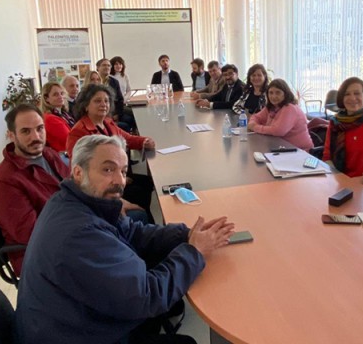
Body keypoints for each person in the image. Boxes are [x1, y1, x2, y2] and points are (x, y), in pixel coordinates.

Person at [15, 134, 235, 344]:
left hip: (77, 318)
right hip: (79, 334)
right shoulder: (80, 235)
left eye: (123, 170)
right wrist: (194, 251)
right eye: (108, 169)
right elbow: (148, 295)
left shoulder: (76, 200)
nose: (119, 180)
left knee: (171, 294)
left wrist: (185, 234)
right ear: (78, 172)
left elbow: (132, 233)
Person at [0, 104, 69, 275]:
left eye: (40, 129)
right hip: (41, 257)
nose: (36, 137)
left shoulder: (48, 154)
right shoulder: (4, 181)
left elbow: (76, 186)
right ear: (11, 136)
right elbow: (32, 234)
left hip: (69, 232)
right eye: (25, 131)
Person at [67, 84, 155, 217]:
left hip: (117, 174)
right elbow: (80, 174)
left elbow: (127, 138)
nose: (103, 104)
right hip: (102, 187)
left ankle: (145, 222)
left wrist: (144, 141)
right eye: (97, 101)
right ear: (86, 106)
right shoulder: (79, 133)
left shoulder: (107, 122)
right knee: (138, 192)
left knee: (147, 182)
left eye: (106, 101)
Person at [248, 78, 313, 151]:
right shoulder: (272, 107)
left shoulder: (290, 108)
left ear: (285, 94)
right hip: (282, 147)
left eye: (278, 92)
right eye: (271, 93)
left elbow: (278, 131)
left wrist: (255, 127)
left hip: (301, 151)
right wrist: (253, 123)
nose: (274, 96)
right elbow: (255, 117)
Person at [97, 57, 133, 131]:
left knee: (130, 119)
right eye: (104, 65)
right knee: (125, 125)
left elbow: (120, 99)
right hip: (100, 114)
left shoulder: (114, 81)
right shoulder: (94, 81)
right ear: (98, 68)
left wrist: (117, 114)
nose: (107, 67)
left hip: (114, 111)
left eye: (108, 65)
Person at [40, 82, 75, 153]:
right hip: (64, 156)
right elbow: (70, 139)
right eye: (55, 94)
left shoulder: (64, 114)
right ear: (46, 99)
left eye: (62, 93)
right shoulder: (49, 118)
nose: (60, 96)